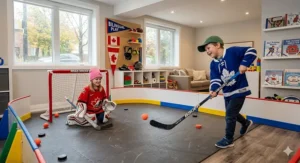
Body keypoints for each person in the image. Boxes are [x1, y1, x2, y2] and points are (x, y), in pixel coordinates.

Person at [197, 36, 256, 148]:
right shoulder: (213, 64)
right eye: (206, 50)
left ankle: (228, 139)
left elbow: (251, 50)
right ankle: (246, 123)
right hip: (227, 93)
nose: (207, 51)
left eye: (209, 48)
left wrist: (244, 63)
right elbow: (215, 79)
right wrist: (213, 90)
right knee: (232, 113)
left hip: (239, 90)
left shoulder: (232, 51)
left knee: (229, 115)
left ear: (218, 45)